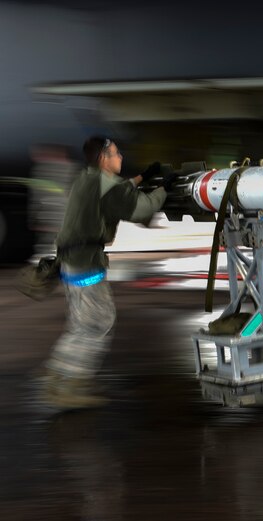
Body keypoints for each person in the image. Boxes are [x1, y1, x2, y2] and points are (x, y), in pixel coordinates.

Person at [41, 135, 173, 410]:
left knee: (81, 325)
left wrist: (142, 177)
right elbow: (141, 209)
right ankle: (70, 387)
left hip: (69, 262)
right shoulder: (107, 187)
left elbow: (116, 190)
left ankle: (57, 375)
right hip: (86, 265)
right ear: (103, 158)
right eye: (116, 153)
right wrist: (164, 189)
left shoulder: (86, 178)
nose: (120, 157)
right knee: (98, 323)